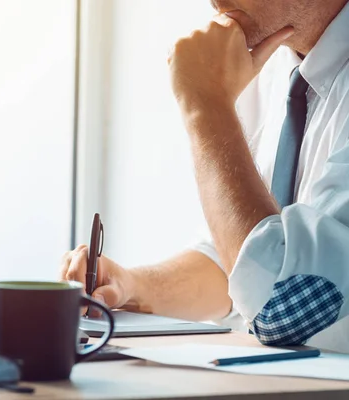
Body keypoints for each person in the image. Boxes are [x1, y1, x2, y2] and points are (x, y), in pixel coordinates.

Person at [60, 0, 349, 353]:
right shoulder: (271, 68)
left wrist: (205, 104)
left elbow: (283, 305)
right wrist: (130, 287)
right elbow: (241, 264)